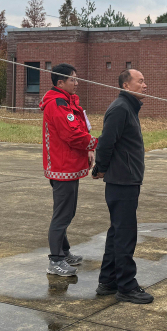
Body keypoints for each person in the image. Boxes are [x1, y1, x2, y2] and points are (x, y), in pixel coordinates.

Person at [93, 69, 154, 304]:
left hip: (126, 179)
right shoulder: (120, 108)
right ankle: (127, 286)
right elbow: (105, 142)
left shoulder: (129, 107)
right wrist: (101, 167)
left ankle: (108, 281)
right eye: (141, 81)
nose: (145, 85)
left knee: (117, 232)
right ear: (126, 86)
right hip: (122, 181)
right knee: (125, 234)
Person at [40, 63, 97, 277]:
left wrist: (89, 148)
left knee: (67, 211)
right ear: (60, 82)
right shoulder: (57, 104)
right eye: (73, 79)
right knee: (62, 214)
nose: (77, 82)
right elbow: (72, 135)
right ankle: (55, 261)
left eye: (76, 78)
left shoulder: (69, 102)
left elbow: (81, 128)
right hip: (62, 167)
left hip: (70, 165)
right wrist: (97, 143)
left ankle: (63, 252)